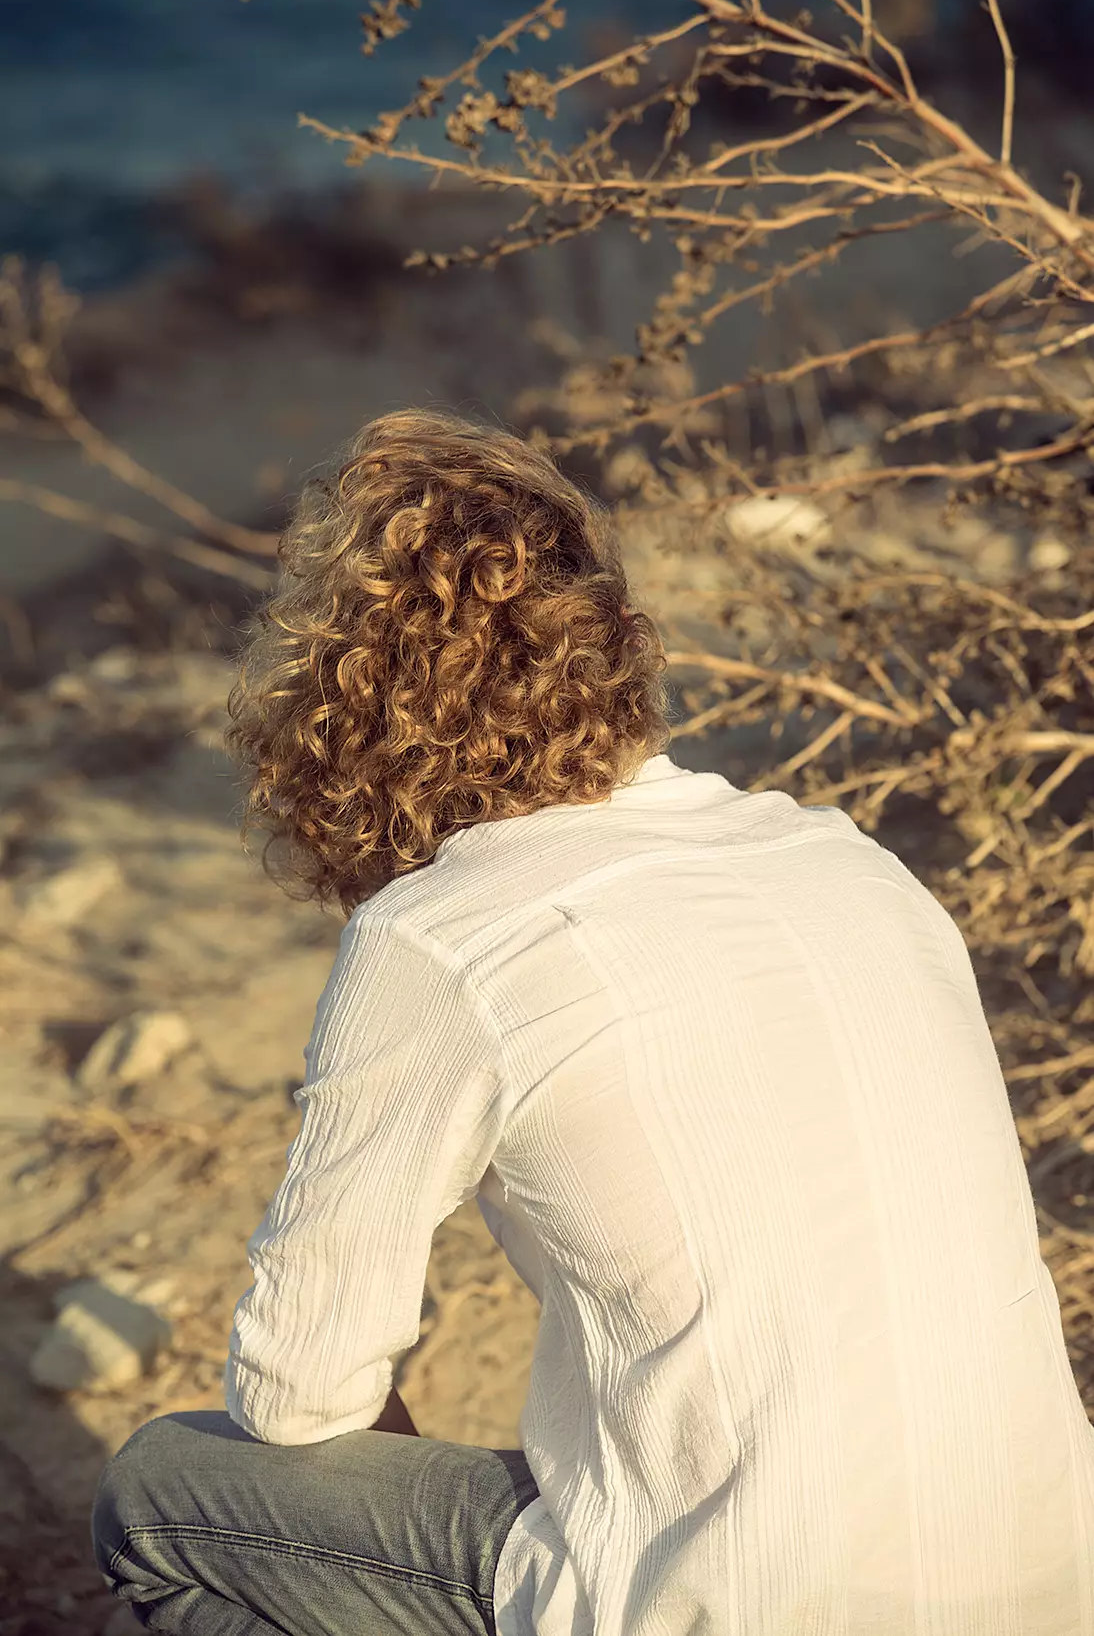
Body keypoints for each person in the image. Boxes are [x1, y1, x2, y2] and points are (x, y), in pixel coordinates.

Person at [92, 408, 1094, 1636]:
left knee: (161, 1494)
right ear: (610, 644)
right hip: (1049, 1580)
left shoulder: (440, 934)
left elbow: (298, 1396)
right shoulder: (851, 860)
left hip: (755, 1605)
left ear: (349, 715)